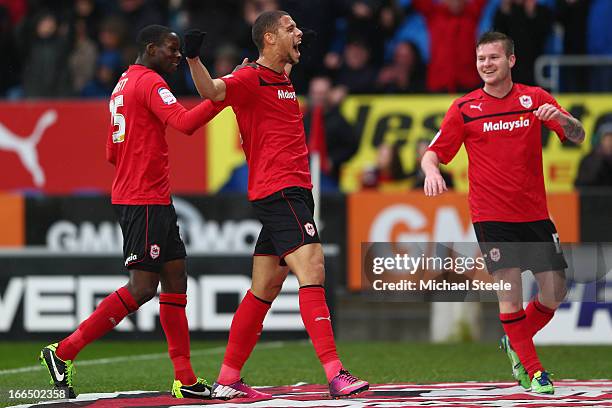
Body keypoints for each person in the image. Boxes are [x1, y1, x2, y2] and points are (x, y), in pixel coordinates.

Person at [183, 10, 369, 400]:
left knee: (265, 285)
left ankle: (228, 379)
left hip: (295, 190)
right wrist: (193, 59)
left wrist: (295, 45)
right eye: (290, 29)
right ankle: (336, 373)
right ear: (268, 38)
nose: (299, 32)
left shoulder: (283, 79)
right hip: (279, 190)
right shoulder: (250, 77)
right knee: (313, 265)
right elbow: (212, 92)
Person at [39, 24, 224, 400]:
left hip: (145, 195)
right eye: (171, 50)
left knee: (176, 279)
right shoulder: (150, 84)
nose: (176, 55)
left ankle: (185, 379)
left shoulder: (122, 84)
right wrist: (226, 95)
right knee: (142, 288)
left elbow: (111, 151)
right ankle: (63, 351)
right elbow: (186, 124)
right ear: (151, 48)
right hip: (144, 198)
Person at [421, 32, 585, 394]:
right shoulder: (464, 108)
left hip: (535, 214)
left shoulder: (535, 99)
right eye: (481, 59)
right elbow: (431, 153)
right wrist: (432, 170)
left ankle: (516, 339)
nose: (486, 65)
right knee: (508, 294)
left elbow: (579, 134)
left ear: (511, 60)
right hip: (491, 216)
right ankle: (535, 372)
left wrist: (558, 115)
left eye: (494, 58)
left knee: (554, 292)